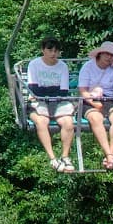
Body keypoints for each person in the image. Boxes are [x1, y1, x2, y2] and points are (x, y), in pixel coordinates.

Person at [78, 40, 113, 170]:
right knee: (96, 118)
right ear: (100, 53)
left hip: (109, 99)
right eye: (107, 54)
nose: (109, 57)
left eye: (112, 55)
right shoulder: (88, 67)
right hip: (89, 99)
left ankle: (110, 155)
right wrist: (93, 103)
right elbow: (83, 91)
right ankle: (109, 155)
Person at [27, 37, 76, 171]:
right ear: (43, 50)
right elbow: (34, 89)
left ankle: (65, 156)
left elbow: (63, 91)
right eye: (50, 50)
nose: (53, 53)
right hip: (39, 101)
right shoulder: (34, 65)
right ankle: (52, 158)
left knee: (68, 122)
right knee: (42, 122)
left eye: (56, 51)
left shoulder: (62, 66)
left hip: (57, 101)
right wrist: (49, 91)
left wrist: (46, 91)